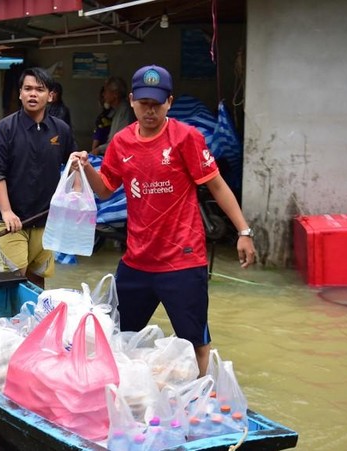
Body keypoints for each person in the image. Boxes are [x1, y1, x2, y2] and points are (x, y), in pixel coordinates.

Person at [70, 65, 257, 375]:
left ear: (169, 102)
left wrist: (243, 230)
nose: (150, 111)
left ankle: (200, 395)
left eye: (157, 104)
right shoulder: (121, 143)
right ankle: (124, 394)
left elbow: (217, 185)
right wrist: (86, 167)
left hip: (182, 261)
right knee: (116, 334)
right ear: (131, 101)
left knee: (195, 339)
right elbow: (104, 191)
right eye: (144, 103)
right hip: (136, 261)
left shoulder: (187, 138)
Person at [0, 67, 77, 288]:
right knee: (17, 277)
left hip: (46, 218)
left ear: (50, 96)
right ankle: (13, 320)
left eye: (39, 89)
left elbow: (74, 166)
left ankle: (37, 322)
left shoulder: (61, 130)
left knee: (38, 280)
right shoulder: (4, 129)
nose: (33, 94)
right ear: (20, 93)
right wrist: (7, 212)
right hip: (10, 220)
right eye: (27, 89)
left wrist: (74, 200)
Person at [93, 76, 135, 155]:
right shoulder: (115, 110)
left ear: (115, 94)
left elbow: (121, 140)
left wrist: (99, 149)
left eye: (106, 91)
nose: (103, 95)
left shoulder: (124, 110)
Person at [91, 86, 113, 152]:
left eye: (103, 97)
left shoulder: (103, 117)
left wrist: (94, 150)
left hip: (103, 150)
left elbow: (98, 135)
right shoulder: (105, 115)